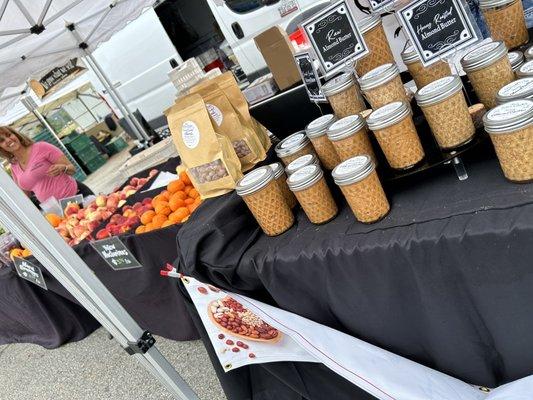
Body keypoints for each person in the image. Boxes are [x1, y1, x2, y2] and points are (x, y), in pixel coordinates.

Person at [0, 126, 93, 204]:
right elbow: (24, 197)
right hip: (57, 211)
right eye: (2, 140)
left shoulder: (41, 147)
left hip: (77, 197)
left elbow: (72, 169)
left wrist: (63, 168)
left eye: (9, 135)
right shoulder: (14, 167)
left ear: (16, 135)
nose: (8, 140)